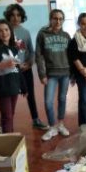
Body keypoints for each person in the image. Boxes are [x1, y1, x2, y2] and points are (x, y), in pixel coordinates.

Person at [3, 4, 49, 130]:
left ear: (22, 17)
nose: (15, 18)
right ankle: (6, 124)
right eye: (12, 15)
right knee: (10, 97)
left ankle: (35, 119)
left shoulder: (25, 32)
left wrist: (29, 63)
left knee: (30, 94)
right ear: (8, 16)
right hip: (10, 71)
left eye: (18, 15)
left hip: (25, 70)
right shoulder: (4, 31)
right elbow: (1, 52)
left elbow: (31, 51)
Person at [0, 19, 27, 133]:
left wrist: (23, 87)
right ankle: (9, 139)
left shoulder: (13, 48)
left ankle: (5, 134)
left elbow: (17, 69)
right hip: (1, 88)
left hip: (13, 86)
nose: (4, 33)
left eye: (6, 30)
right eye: (0, 31)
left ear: (10, 31)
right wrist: (2, 64)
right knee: (7, 116)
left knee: (10, 114)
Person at [35, 9, 71, 141]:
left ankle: (60, 124)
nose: (58, 21)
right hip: (50, 74)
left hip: (65, 73)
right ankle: (52, 127)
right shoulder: (43, 34)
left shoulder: (66, 36)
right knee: (48, 101)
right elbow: (38, 56)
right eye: (55, 18)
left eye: (61, 19)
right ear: (50, 19)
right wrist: (42, 74)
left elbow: (71, 56)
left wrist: (72, 74)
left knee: (62, 99)